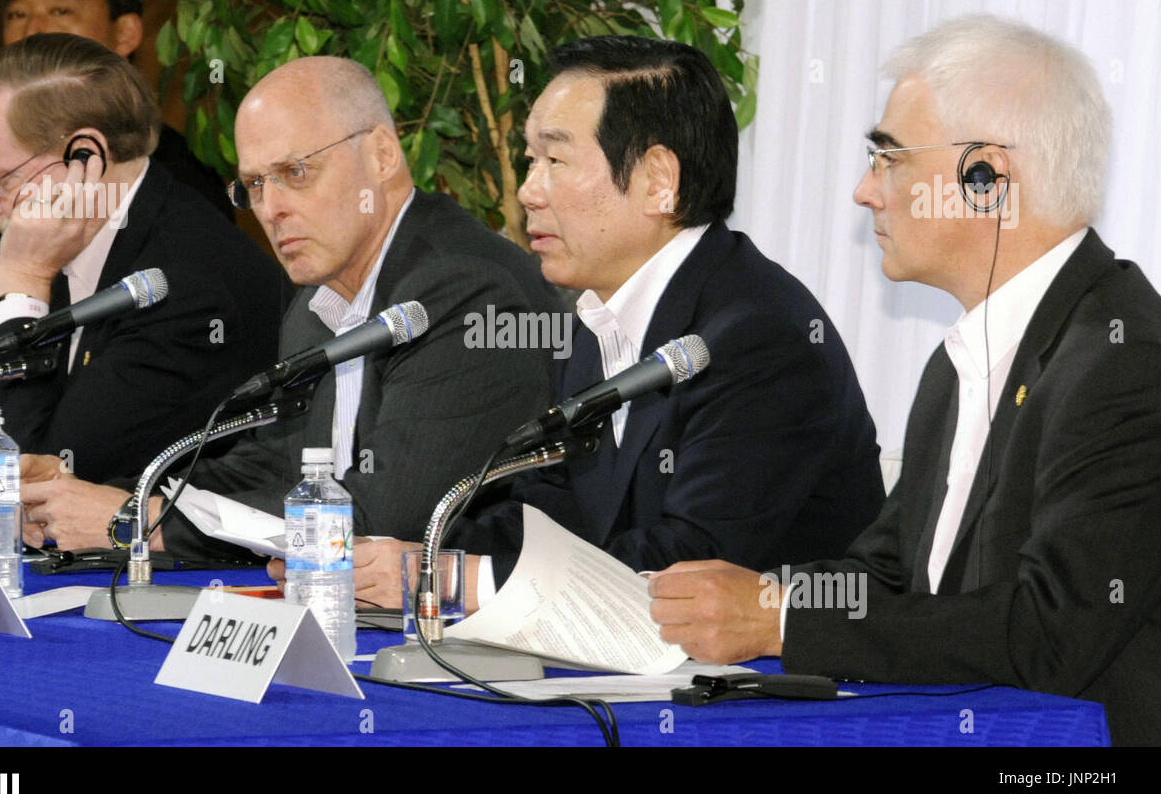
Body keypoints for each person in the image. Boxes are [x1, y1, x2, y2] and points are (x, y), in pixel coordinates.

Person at [648, 15, 1161, 747]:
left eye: (889, 159)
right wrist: (727, 595)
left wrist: (778, 618)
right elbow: (889, 577)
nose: (865, 191)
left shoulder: (1127, 359)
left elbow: (1051, 629)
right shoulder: (961, 359)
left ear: (987, 178)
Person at [345, 36, 885, 611]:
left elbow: (695, 560)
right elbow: (549, 511)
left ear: (658, 181)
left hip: (776, 691)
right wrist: (412, 558)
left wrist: (462, 581)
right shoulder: (596, 322)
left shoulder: (760, 335)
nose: (529, 192)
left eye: (555, 161)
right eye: (531, 160)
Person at [7, 55, 564, 557]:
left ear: (382, 155)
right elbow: (272, 463)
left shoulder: (466, 291)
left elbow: (382, 523)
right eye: (253, 184)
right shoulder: (316, 301)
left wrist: (147, 523)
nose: (270, 209)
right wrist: (114, 497)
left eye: (295, 173)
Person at [0, 33, 285, 496]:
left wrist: (22, 283)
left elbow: (48, 475)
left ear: (84, 157)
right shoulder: (77, 236)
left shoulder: (187, 287)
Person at [0, 0, 235, 449]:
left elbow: (43, 465)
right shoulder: (58, 210)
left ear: (86, 157)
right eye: (16, 13)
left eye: (59, 10)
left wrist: (24, 280)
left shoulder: (180, 273)